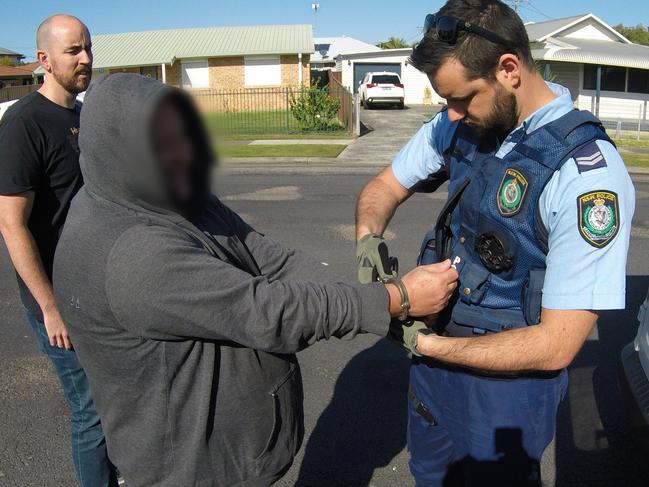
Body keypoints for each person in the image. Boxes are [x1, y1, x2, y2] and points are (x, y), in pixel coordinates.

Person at [52, 72, 459, 487]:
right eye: (164, 144)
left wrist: (369, 297)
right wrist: (394, 300)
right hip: (194, 469)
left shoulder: (164, 194)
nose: (186, 152)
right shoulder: (135, 254)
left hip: (229, 453)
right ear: (124, 152)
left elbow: (269, 258)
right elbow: (265, 311)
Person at [355, 0, 635, 485]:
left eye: (462, 98)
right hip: (434, 362)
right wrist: (367, 242)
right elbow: (385, 187)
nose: (452, 114)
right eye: (446, 100)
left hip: (508, 388)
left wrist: (427, 344)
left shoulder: (587, 177)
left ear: (509, 69)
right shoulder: (461, 122)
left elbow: (556, 345)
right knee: (429, 474)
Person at [0, 14, 118, 487]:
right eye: (73, 50)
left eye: (88, 47)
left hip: (99, 293)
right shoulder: (24, 123)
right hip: (59, 302)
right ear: (44, 60)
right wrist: (50, 308)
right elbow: (11, 224)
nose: (86, 57)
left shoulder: (83, 117)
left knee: (113, 400)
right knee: (89, 410)